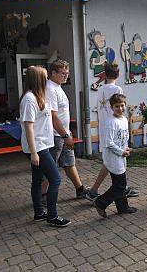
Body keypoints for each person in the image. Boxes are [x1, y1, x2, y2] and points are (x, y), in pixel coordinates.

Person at [20, 65, 70, 227]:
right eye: (45, 77)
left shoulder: (40, 95)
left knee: (37, 179)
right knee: (55, 179)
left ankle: (39, 213)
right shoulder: (29, 99)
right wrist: (34, 153)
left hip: (45, 144)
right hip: (38, 147)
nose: (47, 79)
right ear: (38, 79)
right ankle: (52, 216)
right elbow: (28, 127)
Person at [86, 62, 139, 201]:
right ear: (118, 74)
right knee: (112, 161)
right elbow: (120, 108)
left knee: (109, 161)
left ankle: (117, 188)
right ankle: (101, 190)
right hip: (115, 129)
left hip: (104, 127)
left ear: (104, 74)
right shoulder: (117, 89)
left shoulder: (100, 89)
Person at [43, 59, 89, 199]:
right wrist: (65, 136)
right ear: (53, 73)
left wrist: (67, 133)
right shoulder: (50, 89)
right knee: (50, 167)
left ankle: (80, 189)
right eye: (63, 73)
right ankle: (43, 195)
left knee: (69, 162)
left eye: (67, 73)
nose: (66, 76)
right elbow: (53, 116)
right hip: (56, 135)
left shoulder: (58, 87)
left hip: (63, 133)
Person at [94, 94, 137, 218]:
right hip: (113, 158)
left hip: (120, 156)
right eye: (116, 106)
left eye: (122, 105)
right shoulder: (110, 122)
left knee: (118, 183)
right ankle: (100, 202)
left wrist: (126, 148)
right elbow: (108, 142)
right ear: (112, 107)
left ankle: (122, 207)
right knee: (120, 185)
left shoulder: (123, 119)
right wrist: (121, 152)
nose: (120, 108)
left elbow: (124, 137)